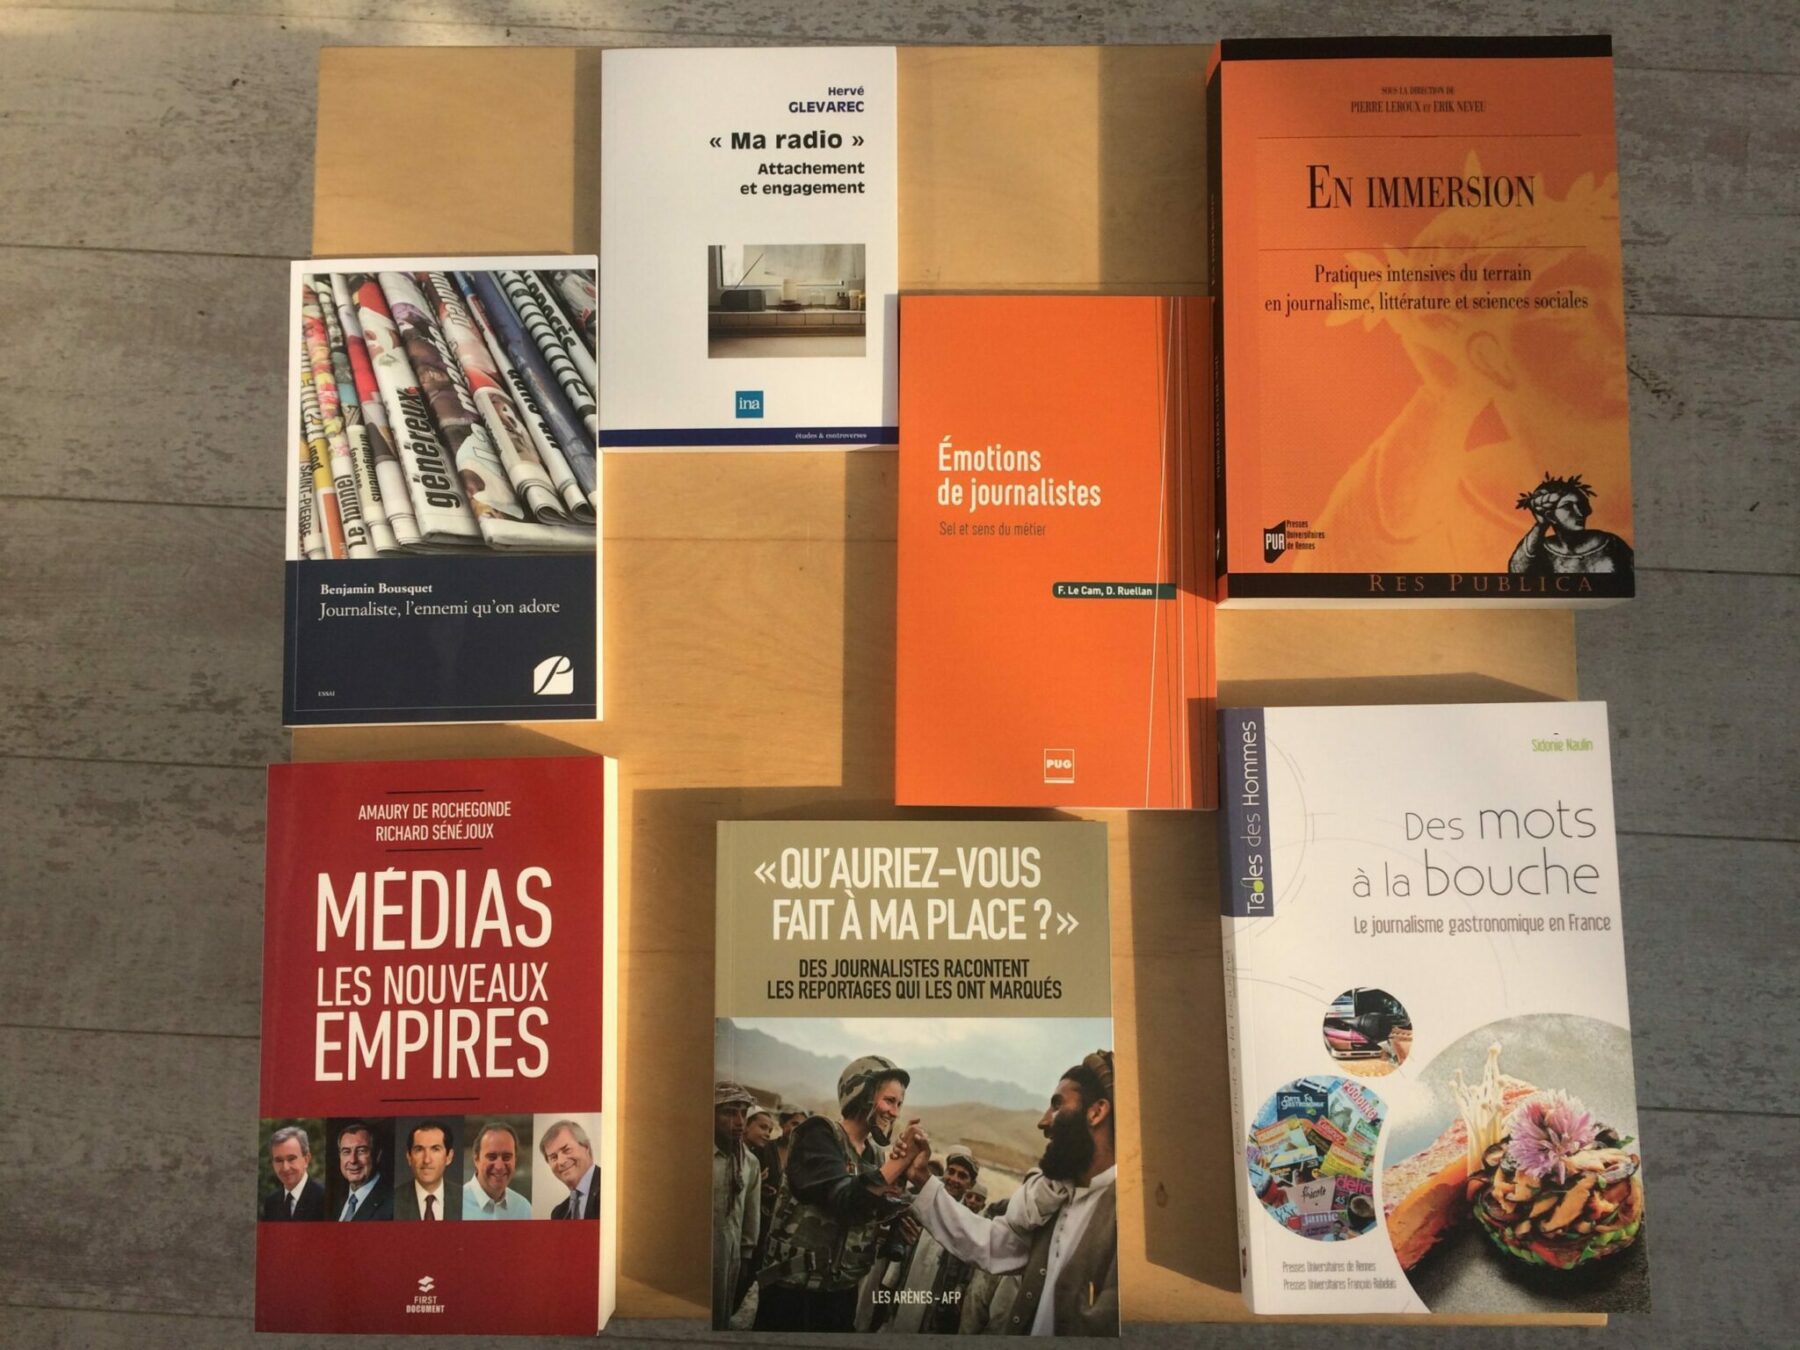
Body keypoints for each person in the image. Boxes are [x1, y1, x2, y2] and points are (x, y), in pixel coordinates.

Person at [906, 1050, 1119, 1335]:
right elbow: (987, 1242)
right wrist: (922, 1179)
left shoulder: (1128, 1221)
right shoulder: (1059, 1202)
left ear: (1096, 1112)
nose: (1043, 1122)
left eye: (1057, 1105)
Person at [753, 1056, 925, 1332]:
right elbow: (845, 1198)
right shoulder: (818, 1133)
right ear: (863, 1095)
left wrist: (894, 1221)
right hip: (794, 1292)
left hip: (841, 1293)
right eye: (889, 1101)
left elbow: (863, 1215)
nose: (894, 1112)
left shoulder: (873, 1155)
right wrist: (899, 1162)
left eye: (899, 1104)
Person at [884, 1148, 979, 1334]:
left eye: (962, 1176)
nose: (954, 1179)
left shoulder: (968, 1224)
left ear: (971, 1184)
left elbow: (964, 1273)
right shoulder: (921, 1204)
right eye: (951, 1171)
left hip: (934, 1307)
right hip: (908, 1289)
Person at [1508, 473, 1634, 576]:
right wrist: (1541, 525)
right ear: (1550, 516)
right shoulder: (1542, 550)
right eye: (1568, 506)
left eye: (1580, 505)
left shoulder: (1611, 543)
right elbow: (1517, 573)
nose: (1580, 513)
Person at [712, 1083, 763, 1328]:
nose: (740, 1122)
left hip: (730, 1255)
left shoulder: (749, 1163)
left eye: (743, 1113)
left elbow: (751, 1216)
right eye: (730, 1113)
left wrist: (745, 1256)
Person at [463, 1121, 530, 1219]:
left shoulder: (523, 1208)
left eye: (507, 1157)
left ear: (515, 1160)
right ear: (476, 1160)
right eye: (492, 1157)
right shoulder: (456, 1204)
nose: (499, 1166)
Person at [395, 1120, 459, 1221]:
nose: (427, 1160)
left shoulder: (464, 1198)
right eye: (419, 1150)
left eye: (435, 1149)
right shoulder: (394, 1200)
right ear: (409, 1157)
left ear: (449, 1157)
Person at [262, 1125, 324, 1221]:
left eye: (291, 1159)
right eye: (279, 1160)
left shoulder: (323, 1198)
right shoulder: (271, 1203)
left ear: (306, 1159)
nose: (285, 1168)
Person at [333, 1119, 392, 1221]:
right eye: (346, 1152)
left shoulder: (392, 1202)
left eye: (361, 1151)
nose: (353, 1160)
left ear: (378, 1155)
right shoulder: (337, 1202)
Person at [541, 1119, 599, 1219]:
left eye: (566, 1150)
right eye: (553, 1157)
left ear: (586, 1147)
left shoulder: (612, 1187)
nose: (561, 1161)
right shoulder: (558, 1214)